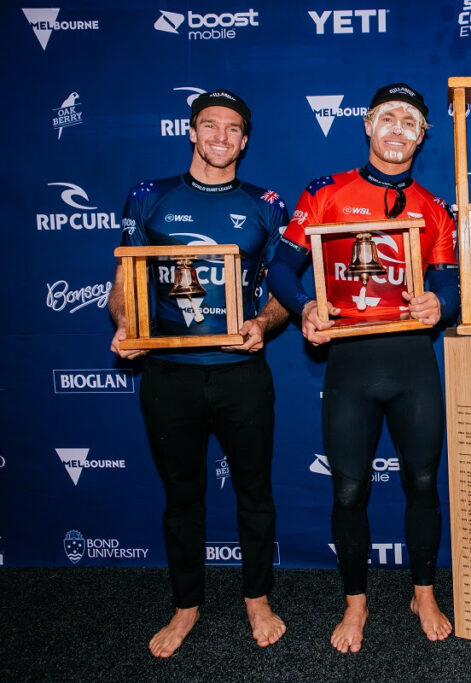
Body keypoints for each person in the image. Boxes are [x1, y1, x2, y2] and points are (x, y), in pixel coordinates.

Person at [267, 83, 458, 654]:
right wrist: (303, 306)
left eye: (410, 121)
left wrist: (440, 304)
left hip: (411, 362)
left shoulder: (432, 206)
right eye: (388, 118)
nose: (398, 128)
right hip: (349, 360)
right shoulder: (326, 192)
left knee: (423, 483)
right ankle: (357, 603)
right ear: (368, 127)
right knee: (348, 491)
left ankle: (423, 592)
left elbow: (446, 276)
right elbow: (282, 264)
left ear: (422, 136)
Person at [109, 89, 290, 657]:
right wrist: (124, 325)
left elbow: (282, 291)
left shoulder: (267, 204)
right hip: (170, 374)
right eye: (209, 126)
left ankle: (257, 598)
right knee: (182, 497)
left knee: (256, 494)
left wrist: (264, 321)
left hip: (242, 374)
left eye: (232, 129)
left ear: (244, 139)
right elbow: (123, 284)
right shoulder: (149, 197)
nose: (220, 137)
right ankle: (185, 606)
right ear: (191, 132)